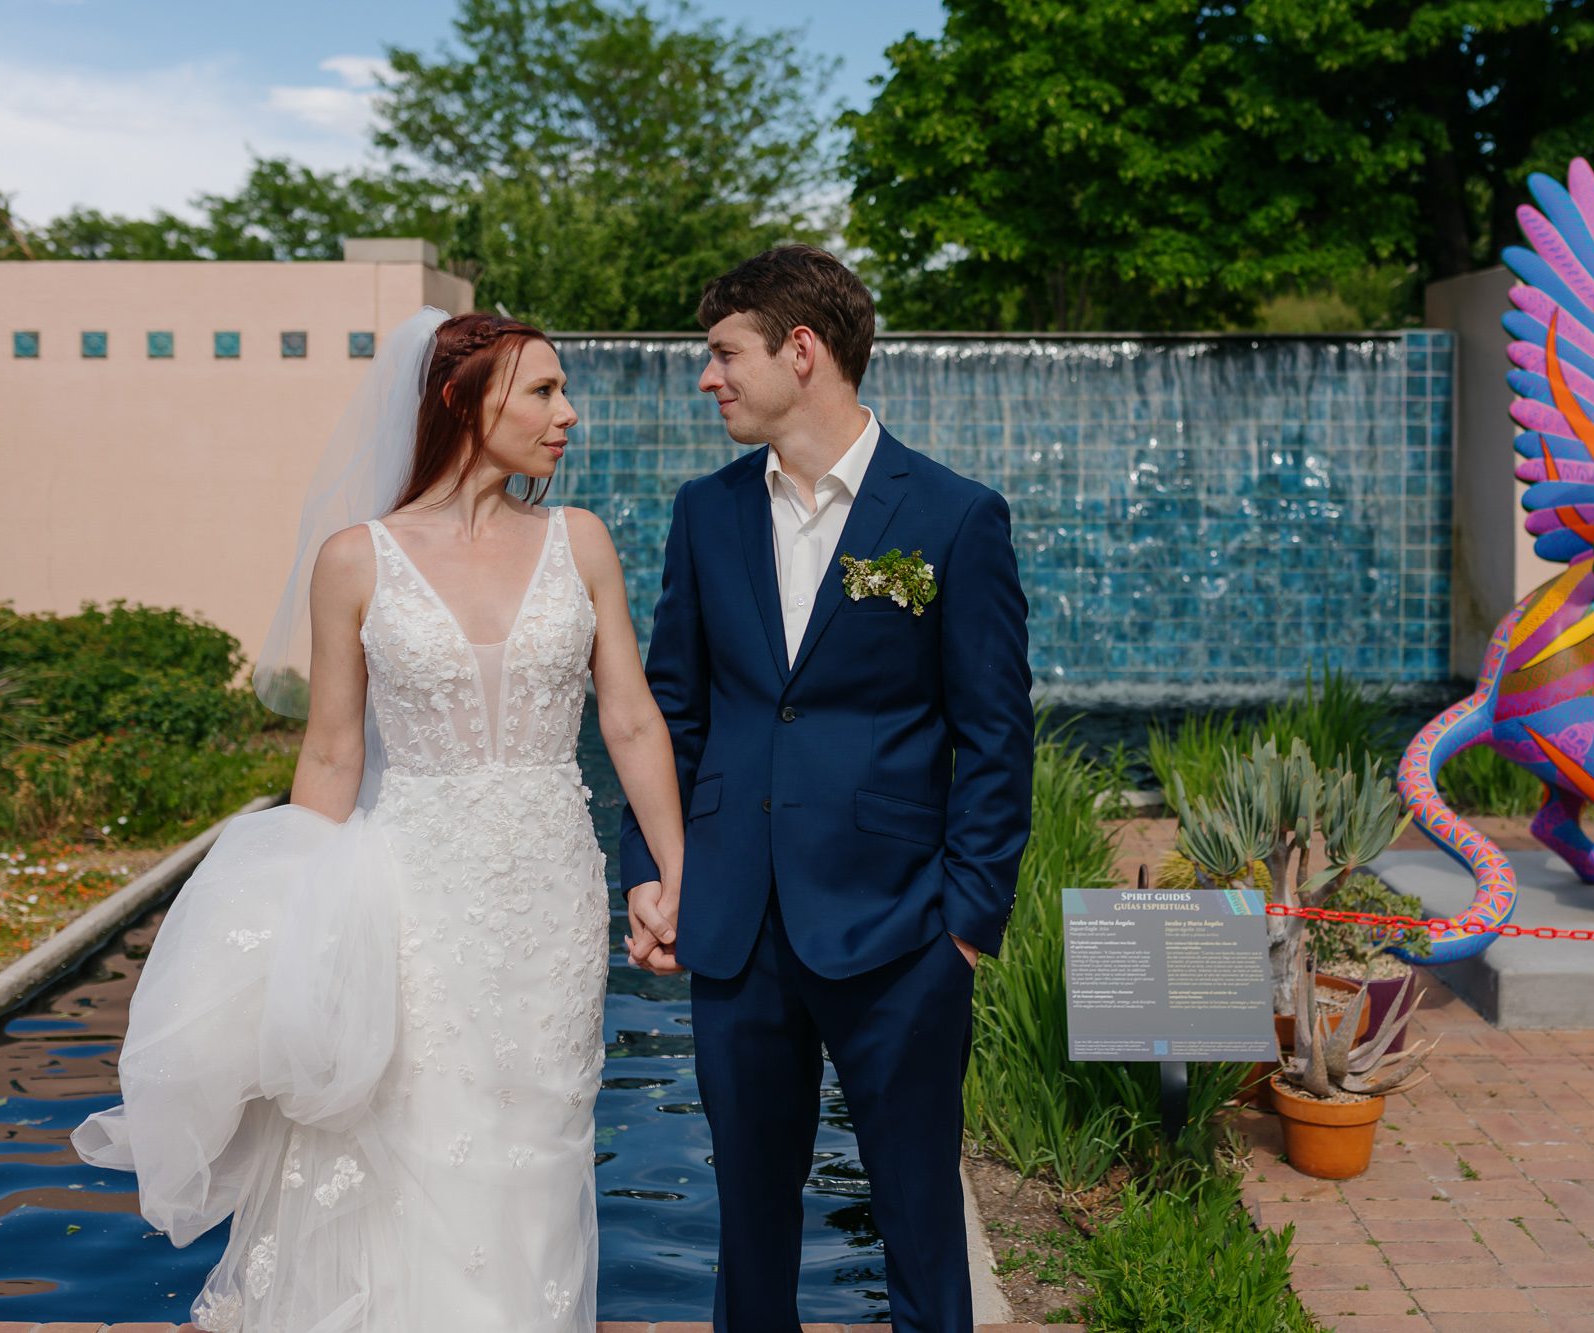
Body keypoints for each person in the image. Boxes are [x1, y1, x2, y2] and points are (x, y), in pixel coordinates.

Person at [73, 308, 688, 1331]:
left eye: (563, 390)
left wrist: (674, 868)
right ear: (461, 400)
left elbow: (628, 717)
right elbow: (331, 753)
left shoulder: (579, 541)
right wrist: (292, 922)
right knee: (410, 1139)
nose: (567, 414)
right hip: (411, 899)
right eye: (542, 391)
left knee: (539, 1145)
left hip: (551, 897)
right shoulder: (356, 560)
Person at [619, 245, 1034, 1332]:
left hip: (901, 930)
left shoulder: (952, 516)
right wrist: (652, 870)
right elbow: (673, 711)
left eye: (725, 354)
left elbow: (995, 737)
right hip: (736, 921)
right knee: (750, 1225)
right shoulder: (704, 513)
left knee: (918, 1216)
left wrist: (964, 924)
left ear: (800, 350)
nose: (708, 377)